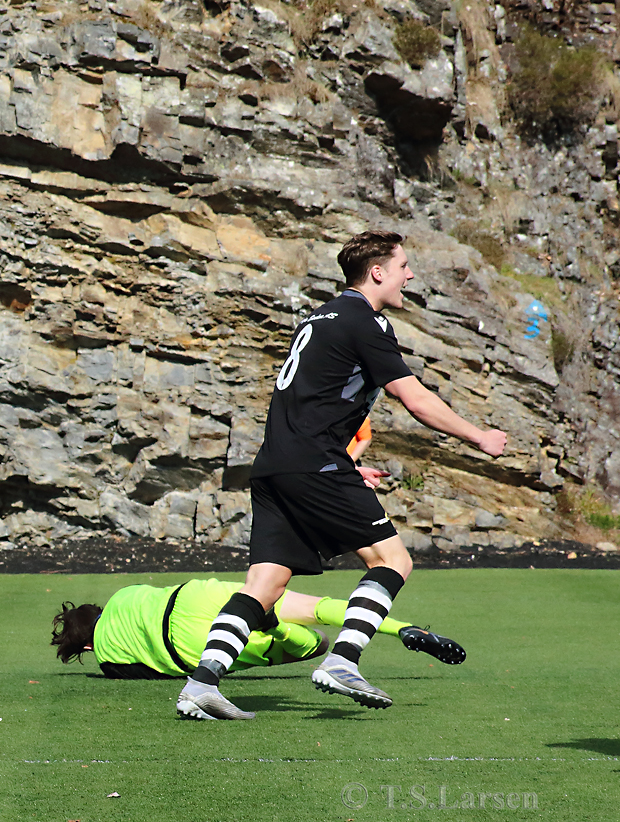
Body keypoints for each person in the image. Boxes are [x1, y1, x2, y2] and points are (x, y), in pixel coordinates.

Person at [176, 230, 507, 720]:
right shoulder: (366, 322)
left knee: (264, 585)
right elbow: (413, 398)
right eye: (403, 266)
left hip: (275, 467)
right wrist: (478, 436)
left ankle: (201, 684)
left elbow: (311, 402)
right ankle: (342, 661)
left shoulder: (319, 316)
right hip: (315, 463)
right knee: (392, 561)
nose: (409, 275)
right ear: (377, 272)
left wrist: (344, 462)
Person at [51, 579, 466, 680]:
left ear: (85, 643)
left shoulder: (106, 658)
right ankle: (404, 628)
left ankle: (273, 630)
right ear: (97, 608)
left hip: (186, 644)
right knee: (316, 607)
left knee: (311, 647)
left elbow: (152, 673)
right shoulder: (124, 594)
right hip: (193, 596)